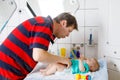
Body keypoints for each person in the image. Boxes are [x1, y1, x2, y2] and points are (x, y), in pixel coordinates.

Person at [0, 12, 78, 80]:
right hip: (6, 70)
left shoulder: (44, 24)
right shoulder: (45, 24)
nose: (68, 35)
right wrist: (63, 59)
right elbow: (39, 56)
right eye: (69, 31)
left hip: (10, 70)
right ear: (63, 23)